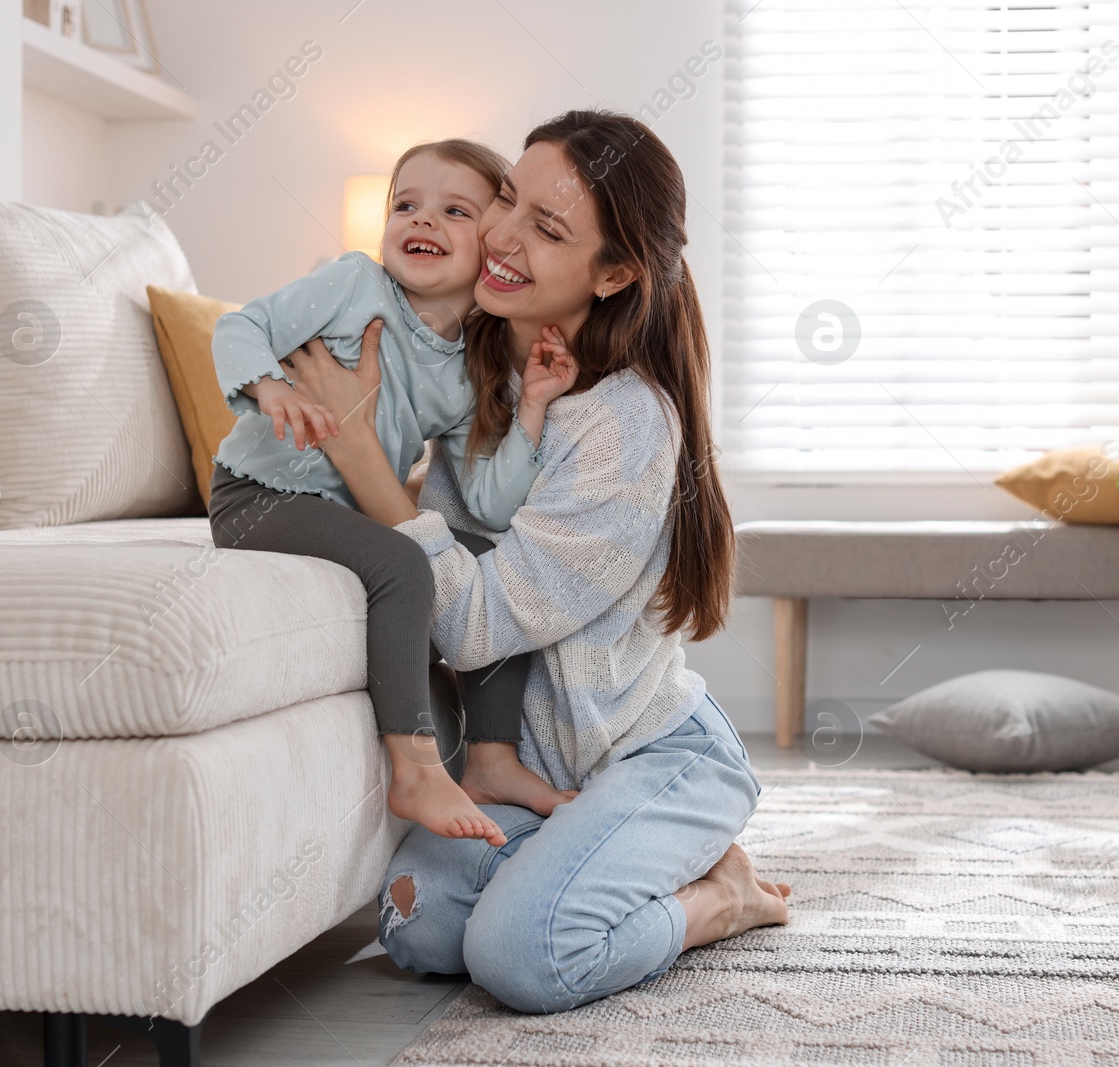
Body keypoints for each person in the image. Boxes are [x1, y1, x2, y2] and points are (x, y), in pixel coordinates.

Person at [281, 110, 791, 1015]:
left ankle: (721, 894)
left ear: (615, 273)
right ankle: (590, 861)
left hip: (647, 750)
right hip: (522, 767)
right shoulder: (474, 364)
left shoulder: (625, 424)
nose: (503, 235)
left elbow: (477, 623)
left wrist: (363, 458)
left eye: (548, 229)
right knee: (418, 926)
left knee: (523, 958)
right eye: (508, 195)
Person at [208, 139, 579, 850]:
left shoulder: (472, 368)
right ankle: (413, 767)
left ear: (491, 245)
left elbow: (491, 502)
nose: (424, 221)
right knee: (405, 565)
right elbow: (241, 325)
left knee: (486, 564)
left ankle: (493, 759)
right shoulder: (353, 283)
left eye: (453, 211)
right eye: (406, 204)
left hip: (338, 509)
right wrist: (272, 385)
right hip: (257, 496)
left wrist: (531, 405)